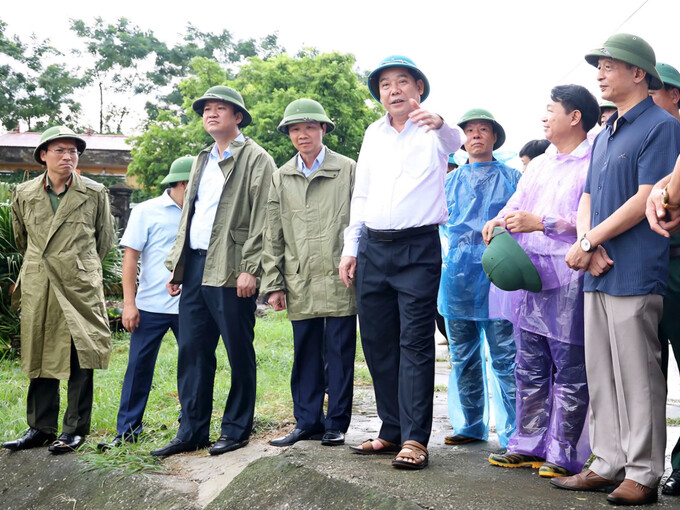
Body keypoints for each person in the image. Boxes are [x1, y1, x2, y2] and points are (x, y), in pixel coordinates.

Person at [554, 33, 680, 506]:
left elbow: (649, 195)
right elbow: (586, 196)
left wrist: (591, 240)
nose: (600, 75)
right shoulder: (606, 131)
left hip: (636, 268)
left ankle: (644, 471)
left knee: (638, 372)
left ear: (638, 73)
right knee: (601, 371)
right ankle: (606, 462)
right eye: (599, 67)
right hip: (598, 268)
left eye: (609, 66)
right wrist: (589, 243)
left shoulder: (661, 126)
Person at [340, 55, 464, 470]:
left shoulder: (433, 129)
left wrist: (440, 121)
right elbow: (363, 191)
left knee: (414, 342)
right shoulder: (373, 133)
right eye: (385, 85)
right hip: (373, 247)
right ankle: (391, 429)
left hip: (417, 248)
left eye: (402, 82)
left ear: (419, 89)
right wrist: (351, 247)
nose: (393, 90)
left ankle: (415, 438)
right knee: (377, 341)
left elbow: (455, 140)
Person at [151, 86, 276, 457]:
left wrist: (250, 268)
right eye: (207, 109)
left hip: (232, 268)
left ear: (238, 117)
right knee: (192, 350)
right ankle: (191, 430)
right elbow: (190, 214)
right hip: (197, 266)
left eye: (221, 108)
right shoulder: (202, 158)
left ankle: (236, 429)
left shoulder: (257, 158)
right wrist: (178, 267)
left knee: (238, 349)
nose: (211, 114)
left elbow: (265, 217)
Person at [483, 85, 599, 478]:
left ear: (575, 117)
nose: (545, 118)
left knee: (569, 366)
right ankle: (526, 443)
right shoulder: (541, 163)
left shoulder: (592, 162)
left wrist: (544, 224)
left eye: (551, 110)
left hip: (568, 276)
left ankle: (564, 451)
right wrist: (499, 219)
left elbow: (590, 223)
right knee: (528, 363)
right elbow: (517, 202)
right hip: (530, 275)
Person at [2, 126, 116, 454]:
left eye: (73, 151)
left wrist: (77, 266)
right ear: (43, 155)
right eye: (60, 151)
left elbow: (103, 240)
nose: (67, 157)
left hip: (79, 282)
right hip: (40, 283)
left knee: (81, 352)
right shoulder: (24, 193)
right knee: (39, 351)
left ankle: (75, 429)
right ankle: (40, 427)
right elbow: (23, 239)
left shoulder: (93, 192)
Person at [262, 98, 357, 448]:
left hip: (339, 273)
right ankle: (306, 421)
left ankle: (337, 422)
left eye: (309, 127)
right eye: (295, 129)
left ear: (323, 129)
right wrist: (273, 283)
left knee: (340, 353)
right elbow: (272, 231)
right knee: (305, 352)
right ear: (289, 134)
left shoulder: (348, 169)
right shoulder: (281, 176)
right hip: (299, 276)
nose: (302, 135)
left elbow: (359, 222)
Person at [438, 108, 520, 449]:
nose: (475, 135)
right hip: (457, 279)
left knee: (506, 359)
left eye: (482, 129)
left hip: (498, 278)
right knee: (463, 357)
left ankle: (515, 433)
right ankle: (469, 426)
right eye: (469, 130)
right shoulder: (449, 181)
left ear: (494, 137)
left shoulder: (514, 178)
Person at [98, 156, 192, 450]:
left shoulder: (204, 213)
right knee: (138, 367)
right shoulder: (147, 211)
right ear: (184, 183)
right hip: (150, 305)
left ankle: (189, 425)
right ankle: (127, 431)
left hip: (191, 306)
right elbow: (130, 259)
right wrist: (129, 304)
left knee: (193, 367)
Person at [647, 61, 680, 497]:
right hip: (643, 268)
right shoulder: (634, 137)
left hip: (676, 262)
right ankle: (643, 466)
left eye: (656, 91)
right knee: (645, 374)